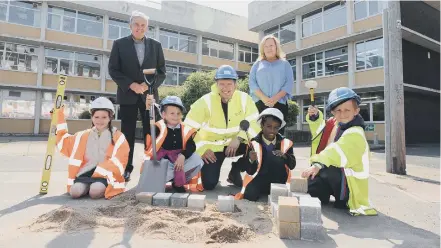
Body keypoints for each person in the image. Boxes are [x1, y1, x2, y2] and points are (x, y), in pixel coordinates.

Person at [108, 10, 166, 182]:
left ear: (147, 27)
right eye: (136, 24)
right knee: (128, 134)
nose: (139, 28)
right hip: (128, 95)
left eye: (143, 25)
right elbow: (113, 69)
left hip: (149, 96)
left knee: (151, 132)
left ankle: (150, 167)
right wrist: (131, 85)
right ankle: (126, 168)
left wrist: (148, 86)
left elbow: (161, 72)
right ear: (130, 26)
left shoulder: (156, 45)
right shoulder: (119, 44)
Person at [301, 87, 377, 216]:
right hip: (333, 177)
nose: (342, 114)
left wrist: (318, 164)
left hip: (350, 187)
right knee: (313, 188)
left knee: (327, 167)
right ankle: (322, 192)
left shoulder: (356, 132)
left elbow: (337, 151)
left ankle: (342, 200)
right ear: (332, 112)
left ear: (356, 111)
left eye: (347, 110)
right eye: (338, 110)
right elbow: (320, 131)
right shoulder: (334, 123)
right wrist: (314, 116)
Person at [184, 65, 261, 190]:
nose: (225, 88)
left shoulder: (244, 99)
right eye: (222, 84)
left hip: (237, 144)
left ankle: (236, 169)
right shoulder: (205, 101)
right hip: (214, 148)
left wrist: (239, 138)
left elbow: (255, 123)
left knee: (257, 146)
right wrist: (202, 149)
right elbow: (188, 128)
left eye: (229, 84)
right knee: (209, 184)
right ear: (216, 84)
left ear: (235, 84)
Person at [55, 97, 130, 199]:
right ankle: (86, 187)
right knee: (75, 192)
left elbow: (121, 160)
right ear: (92, 117)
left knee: (94, 192)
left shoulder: (118, 136)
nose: (100, 120)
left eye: (104, 117)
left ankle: (94, 188)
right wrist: (59, 116)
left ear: (110, 117)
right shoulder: (82, 135)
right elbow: (64, 143)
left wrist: (101, 171)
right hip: (85, 174)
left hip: (105, 175)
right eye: (96, 117)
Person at [144, 95, 203, 192]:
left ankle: (177, 183)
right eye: (172, 113)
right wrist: (148, 109)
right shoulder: (159, 127)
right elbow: (147, 128)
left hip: (179, 160)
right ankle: (160, 181)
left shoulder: (185, 128)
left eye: (178, 113)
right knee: (161, 172)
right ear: (163, 114)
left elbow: (191, 146)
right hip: (163, 162)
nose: (176, 116)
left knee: (197, 159)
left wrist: (183, 156)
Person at [234, 108, 296, 201]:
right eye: (268, 126)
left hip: (279, 180)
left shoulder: (286, 143)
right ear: (262, 125)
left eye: (276, 128)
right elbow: (250, 171)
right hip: (259, 178)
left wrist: (284, 156)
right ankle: (263, 190)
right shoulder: (253, 143)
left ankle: (274, 190)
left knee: (276, 158)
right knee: (250, 195)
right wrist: (251, 160)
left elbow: (292, 165)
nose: (272, 130)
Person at [249, 35, 294, 134]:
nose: (269, 48)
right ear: (262, 49)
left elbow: (289, 83)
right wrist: (264, 98)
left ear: (276, 47)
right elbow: (252, 83)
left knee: (277, 135)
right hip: (260, 103)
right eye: (266, 46)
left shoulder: (285, 64)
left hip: (280, 104)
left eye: (271, 45)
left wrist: (275, 99)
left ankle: (277, 150)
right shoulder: (257, 64)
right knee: (259, 133)